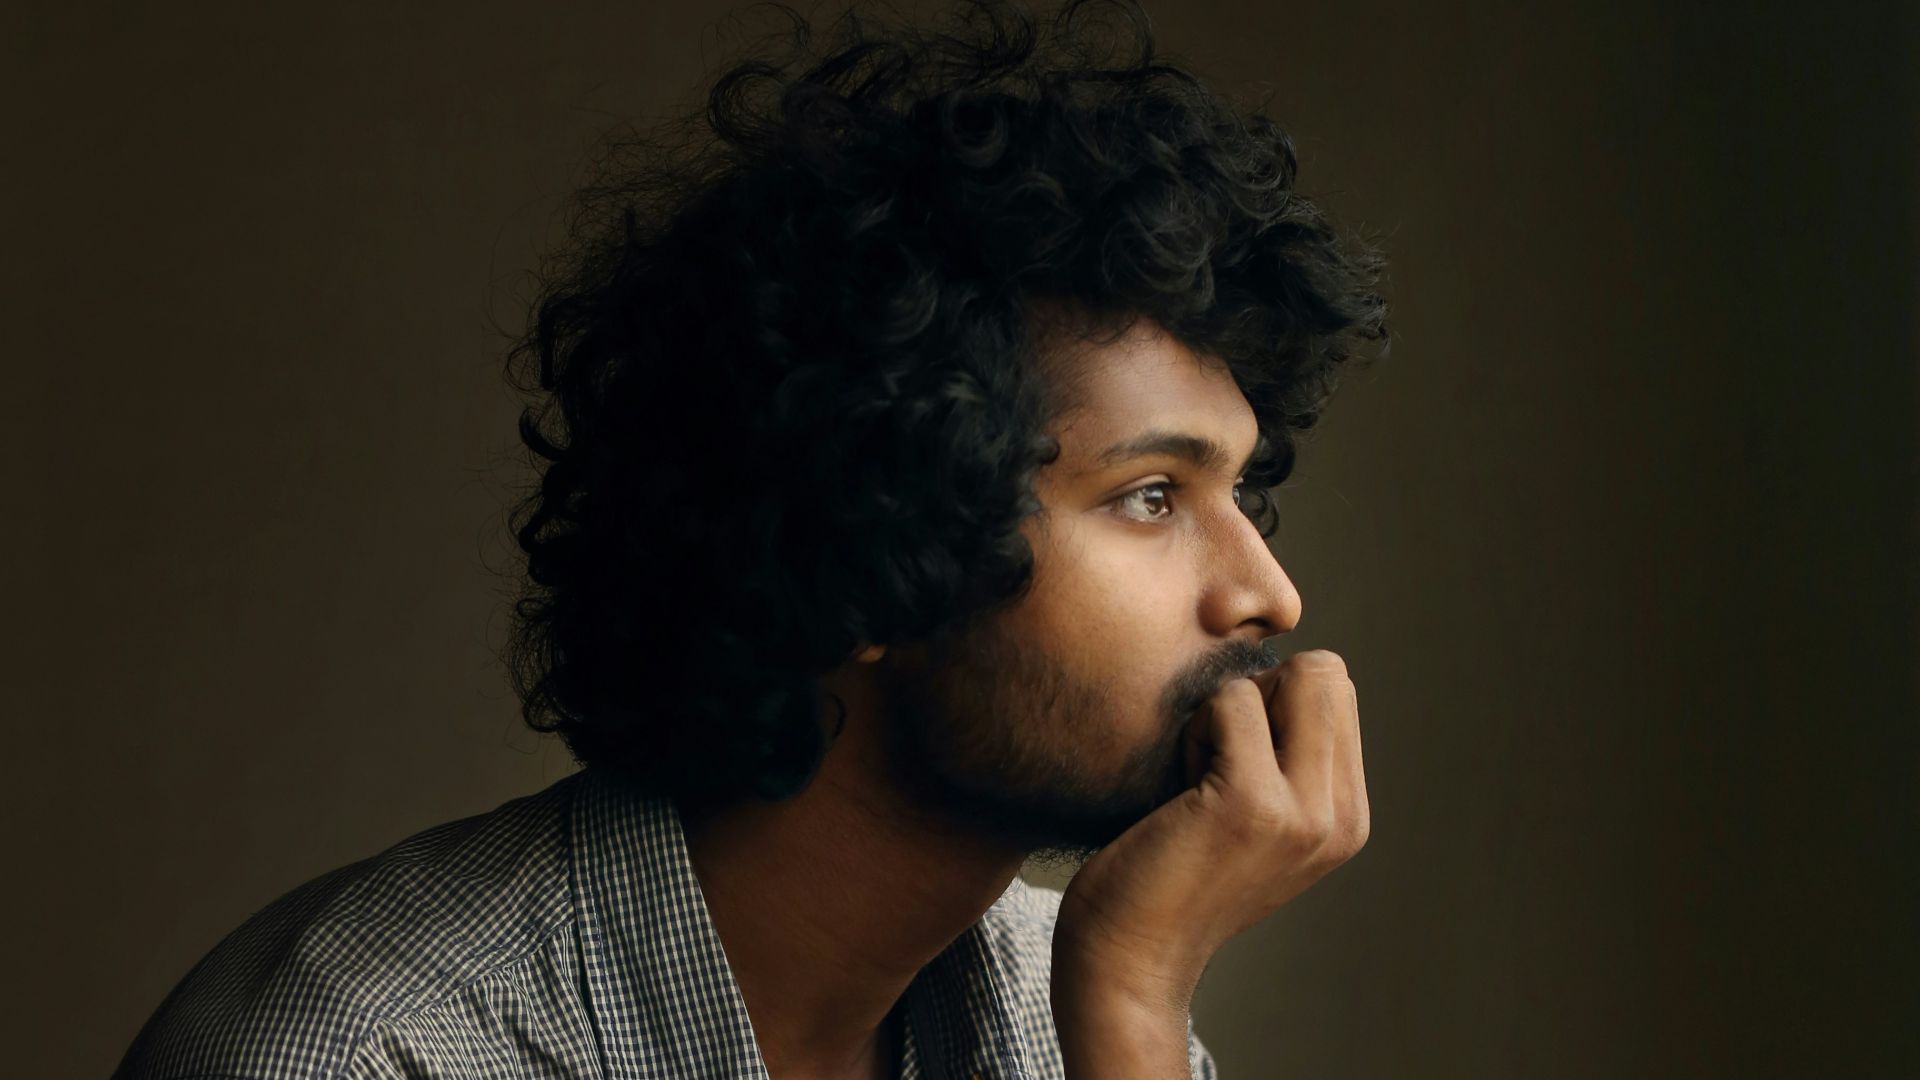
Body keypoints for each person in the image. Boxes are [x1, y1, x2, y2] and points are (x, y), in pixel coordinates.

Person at [115, 0, 1386, 1076]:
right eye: (1152, 497)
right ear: (864, 537)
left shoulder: (1082, 1003)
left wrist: (1131, 1009)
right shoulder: (372, 1053)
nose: (1267, 594)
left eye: (1242, 500)